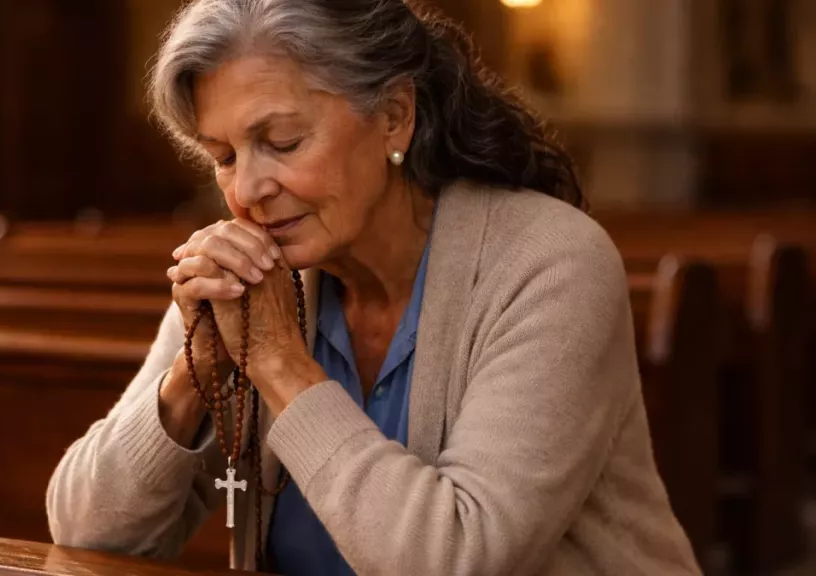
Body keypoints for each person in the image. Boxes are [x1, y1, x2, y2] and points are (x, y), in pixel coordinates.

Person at [46, 1, 702, 574]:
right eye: (223, 157)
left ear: (393, 117)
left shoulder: (551, 263)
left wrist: (279, 364)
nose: (246, 192)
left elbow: (457, 560)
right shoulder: (251, 276)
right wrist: (194, 373)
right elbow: (84, 533)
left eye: (281, 141)